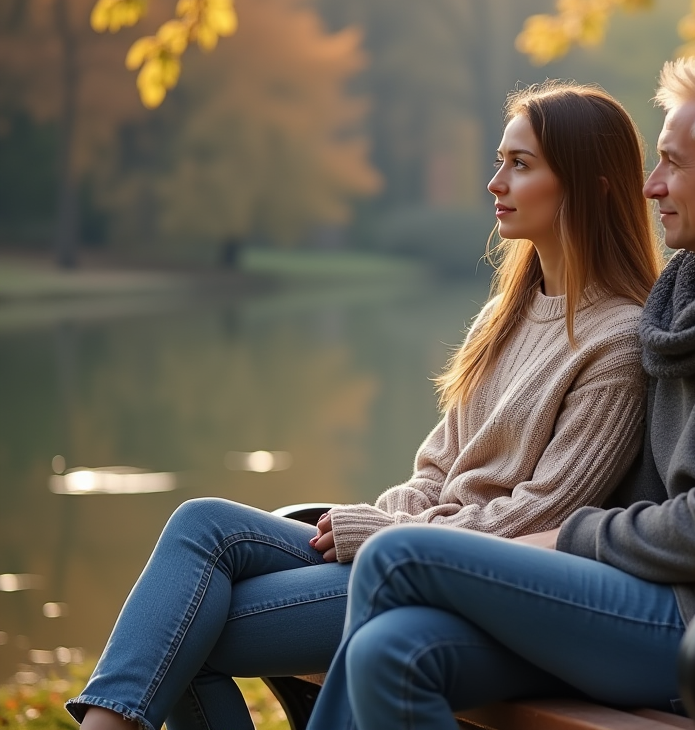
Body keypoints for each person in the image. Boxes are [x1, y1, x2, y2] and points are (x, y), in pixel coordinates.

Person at [305, 45, 695, 730]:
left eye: (673, 163)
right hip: (649, 600)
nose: (651, 185)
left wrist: (570, 536)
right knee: (394, 651)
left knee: (396, 552)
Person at [66, 81, 663, 730]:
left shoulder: (617, 338)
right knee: (203, 524)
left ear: (593, 186)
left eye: (521, 165)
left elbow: (544, 517)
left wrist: (390, 538)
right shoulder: (506, 313)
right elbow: (436, 468)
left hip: (464, 584)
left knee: (180, 628)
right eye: (499, 160)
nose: (495, 182)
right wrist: (375, 522)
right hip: (404, 547)